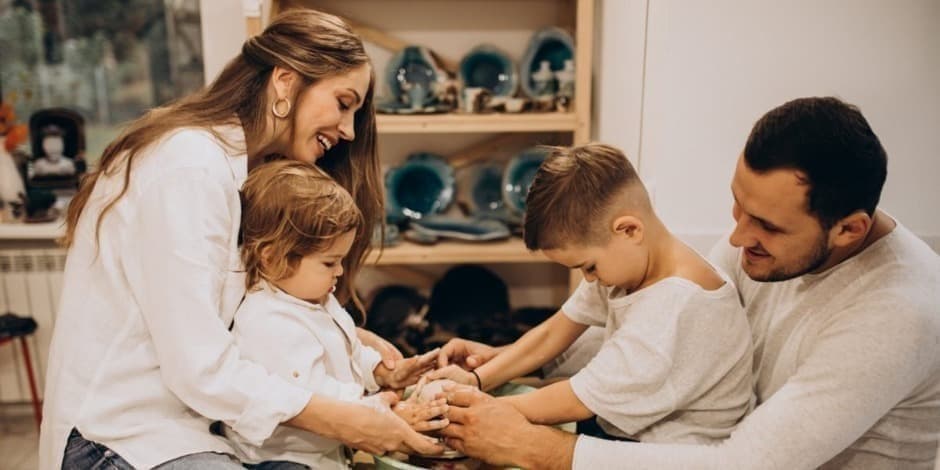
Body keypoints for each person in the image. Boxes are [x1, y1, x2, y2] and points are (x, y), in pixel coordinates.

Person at [437, 97, 940, 469]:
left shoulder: (898, 316)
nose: (737, 237)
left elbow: (745, 465)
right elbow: (657, 334)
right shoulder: (767, 245)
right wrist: (515, 363)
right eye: (738, 205)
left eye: (766, 225)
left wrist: (534, 445)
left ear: (848, 229)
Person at [39, 9, 442, 470]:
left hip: (192, 425)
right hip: (117, 435)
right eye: (343, 103)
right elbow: (200, 367)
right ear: (285, 82)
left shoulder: (245, 170)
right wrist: (351, 422)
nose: (349, 130)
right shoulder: (189, 166)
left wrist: (350, 341)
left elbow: (245, 313)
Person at [431, 143, 754, 444]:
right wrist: (477, 379)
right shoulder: (635, 262)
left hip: (666, 449)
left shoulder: (673, 308)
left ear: (629, 230)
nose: (589, 279)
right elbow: (554, 332)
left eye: (589, 267)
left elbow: (577, 401)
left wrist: (471, 408)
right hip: (627, 423)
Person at [226, 160, 448, 469]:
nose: (340, 271)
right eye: (329, 262)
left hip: (324, 452)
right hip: (282, 459)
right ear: (273, 258)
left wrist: (382, 372)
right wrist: (384, 412)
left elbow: (347, 352)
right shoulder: (269, 323)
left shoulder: (314, 298)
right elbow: (317, 396)